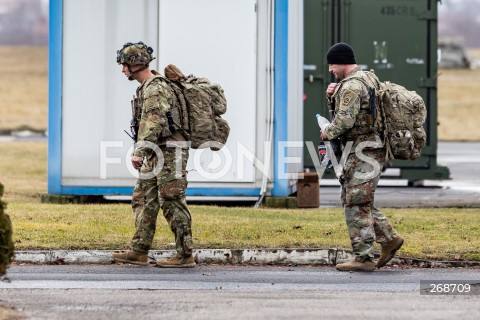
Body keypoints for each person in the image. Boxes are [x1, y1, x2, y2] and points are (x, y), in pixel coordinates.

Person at [320, 42, 404, 272]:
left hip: (362, 150)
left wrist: (327, 132)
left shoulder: (352, 86)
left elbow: (345, 121)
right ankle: (388, 238)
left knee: (355, 201)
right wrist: (333, 96)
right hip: (368, 148)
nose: (330, 70)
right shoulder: (368, 78)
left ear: (340, 62)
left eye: (332, 65)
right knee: (356, 198)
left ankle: (363, 257)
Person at [112, 42, 195, 268]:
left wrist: (139, 151)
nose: (123, 70)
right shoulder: (146, 87)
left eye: (125, 66)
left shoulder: (155, 88)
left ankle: (185, 254)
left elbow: (154, 120)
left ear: (136, 64)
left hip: (171, 150)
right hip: (157, 150)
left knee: (171, 199)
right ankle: (139, 250)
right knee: (144, 197)